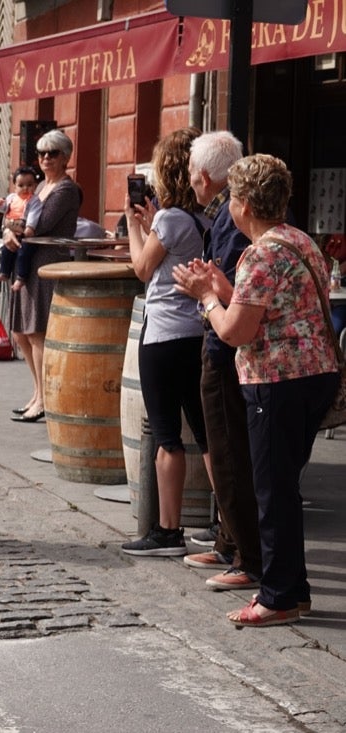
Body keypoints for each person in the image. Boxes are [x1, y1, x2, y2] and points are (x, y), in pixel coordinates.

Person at [173, 154, 338, 627]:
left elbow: (235, 332)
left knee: (272, 490)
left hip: (278, 381)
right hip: (314, 376)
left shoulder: (262, 253)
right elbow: (276, 306)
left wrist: (206, 298)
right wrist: (224, 286)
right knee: (282, 487)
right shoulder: (300, 241)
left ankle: (278, 596)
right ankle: (293, 590)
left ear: (243, 204)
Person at [120, 127, 212, 557]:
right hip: (198, 333)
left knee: (166, 436)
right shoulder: (206, 218)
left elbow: (141, 267)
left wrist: (137, 224)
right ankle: (224, 525)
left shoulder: (170, 219)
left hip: (163, 336)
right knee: (208, 432)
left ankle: (167, 531)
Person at [182, 130, 262, 589]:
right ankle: (231, 543)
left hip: (228, 350)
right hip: (229, 347)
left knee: (230, 453)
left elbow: (235, 299)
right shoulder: (230, 219)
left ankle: (247, 558)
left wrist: (205, 291)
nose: (193, 184)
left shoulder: (237, 219)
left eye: (194, 177)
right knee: (231, 451)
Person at [1, 129, 82, 422]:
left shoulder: (64, 189)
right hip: (27, 262)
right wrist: (7, 229)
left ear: (65, 158)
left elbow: (42, 224)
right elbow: (12, 213)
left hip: (46, 264)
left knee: (37, 334)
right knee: (20, 332)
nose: (46, 158)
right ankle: (37, 392)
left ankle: (46, 400)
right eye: (41, 153)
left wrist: (13, 228)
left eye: (53, 153)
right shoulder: (39, 188)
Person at [0, 165, 42, 291]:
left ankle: (21, 278)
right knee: (6, 250)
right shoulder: (11, 198)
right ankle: (4, 272)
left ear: (35, 186)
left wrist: (30, 228)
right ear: (14, 186)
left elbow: (34, 214)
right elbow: (5, 208)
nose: (25, 188)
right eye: (21, 185)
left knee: (23, 253)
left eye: (29, 185)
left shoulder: (34, 201)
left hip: (23, 230)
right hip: (10, 227)